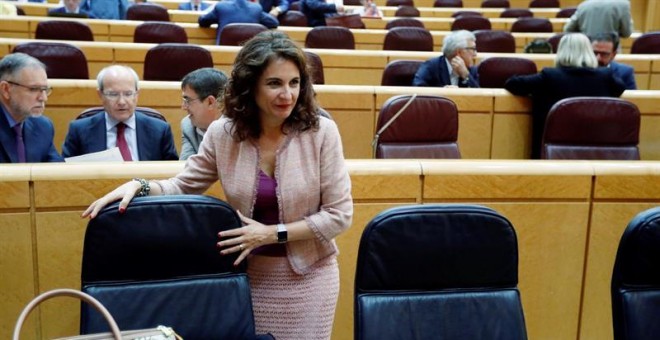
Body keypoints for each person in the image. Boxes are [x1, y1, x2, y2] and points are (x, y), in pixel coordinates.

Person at [83, 31, 352, 339]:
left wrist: (271, 234)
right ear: (250, 86)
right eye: (275, 83)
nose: (287, 94)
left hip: (310, 277)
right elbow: (183, 185)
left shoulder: (321, 132)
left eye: (294, 83)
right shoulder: (223, 133)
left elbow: (339, 215)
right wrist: (139, 185)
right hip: (245, 277)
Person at [505, 33, 626, 159]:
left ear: (561, 51)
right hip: (594, 152)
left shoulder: (550, 76)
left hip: (553, 154)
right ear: (589, 51)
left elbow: (512, 83)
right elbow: (620, 88)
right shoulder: (605, 76)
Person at [61, 65, 178, 161]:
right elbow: (66, 174)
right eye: (113, 94)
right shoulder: (80, 130)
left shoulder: (159, 130)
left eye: (128, 94)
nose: (121, 102)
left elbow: (172, 176)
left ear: (137, 95)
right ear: (100, 95)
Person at [0, 53, 62, 163]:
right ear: (6, 90)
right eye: (34, 89)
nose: (43, 98)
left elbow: (57, 173)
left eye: (45, 89)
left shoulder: (43, 126)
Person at [179, 68, 228, 160]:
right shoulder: (188, 126)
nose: (183, 107)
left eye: (188, 100)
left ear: (210, 102)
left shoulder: (239, 128)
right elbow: (186, 167)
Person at [413, 29, 479, 88]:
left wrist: (466, 76)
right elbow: (417, 87)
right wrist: (442, 92)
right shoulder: (431, 66)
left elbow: (480, 97)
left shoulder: (472, 70)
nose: (475, 54)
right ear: (459, 52)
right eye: (473, 49)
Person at [198, 0, 279, 45]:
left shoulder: (221, 6)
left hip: (224, 51)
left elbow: (202, 21)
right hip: (250, 53)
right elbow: (274, 23)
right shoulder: (256, 8)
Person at [563, 0, 633, 38]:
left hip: (586, 52)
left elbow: (568, 29)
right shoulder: (623, 4)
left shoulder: (584, 5)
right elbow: (626, 33)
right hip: (610, 53)